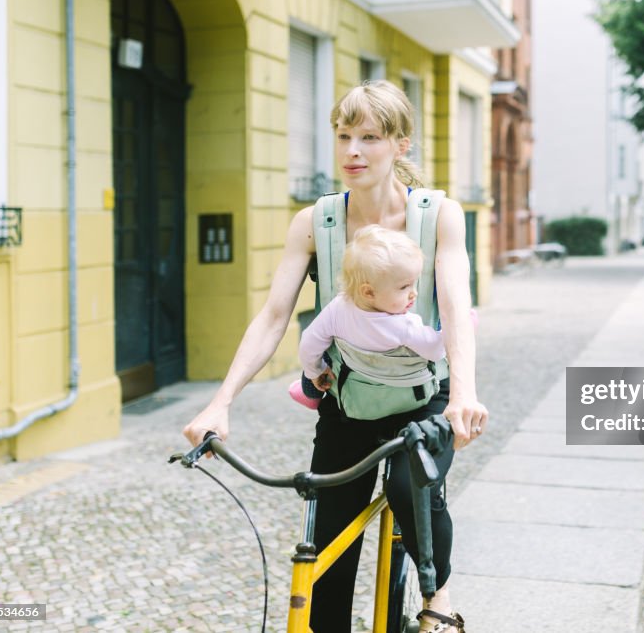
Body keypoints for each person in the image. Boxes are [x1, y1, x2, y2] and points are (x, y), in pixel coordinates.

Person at [182, 79, 486, 633]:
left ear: (401, 144)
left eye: (369, 137)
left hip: (423, 396)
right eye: (344, 135)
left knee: (409, 487)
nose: (353, 151)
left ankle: (438, 598)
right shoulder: (315, 222)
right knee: (325, 554)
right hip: (347, 402)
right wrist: (220, 403)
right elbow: (275, 315)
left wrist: (463, 393)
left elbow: (456, 304)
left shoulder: (438, 215)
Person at [289, 224, 445, 410]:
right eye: (404, 287)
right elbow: (436, 350)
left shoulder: (337, 308)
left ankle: (311, 394)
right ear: (369, 292)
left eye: (414, 284)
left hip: (353, 391)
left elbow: (309, 342)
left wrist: (315, 371)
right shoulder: (403, 325)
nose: (414, 293)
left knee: (318, 353)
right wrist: (457, 326)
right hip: (402, 394)